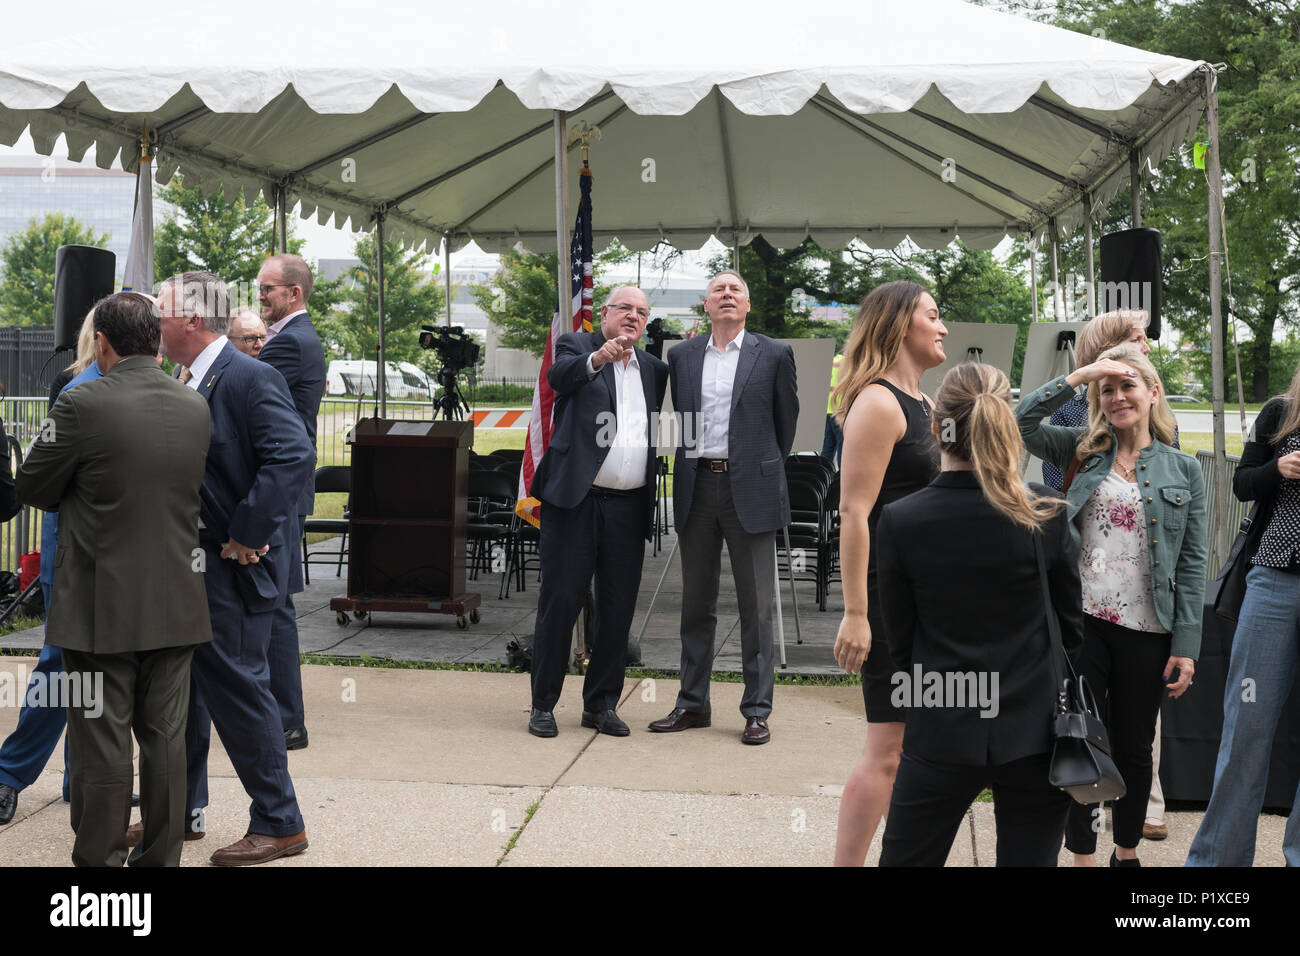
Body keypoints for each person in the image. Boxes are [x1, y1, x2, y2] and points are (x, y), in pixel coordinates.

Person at [15, 291, 212, 867]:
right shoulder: (194, 405)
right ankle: (160, 861)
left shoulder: (79, 406)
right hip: (178, 600)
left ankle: (99, 866)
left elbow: (32, 486)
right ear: (156, 340)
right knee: (165, 741)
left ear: (101, 342)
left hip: (102, 605)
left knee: (101, 743)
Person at [876, 362, 1082, 866]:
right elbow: (1071, 628)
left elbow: (898, 639)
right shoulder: (1046, 512)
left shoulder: (902, 519)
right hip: (1034, 727)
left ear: (934, 425)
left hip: (941, 722)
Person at [1017, 344, 1205, 866]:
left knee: (1134, 746)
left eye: (1128, 386)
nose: (1119, 396)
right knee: (1080, 738)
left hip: (1149, 629)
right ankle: (1083, 855)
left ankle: (1127, 853)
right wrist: (1080, 375)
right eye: (1109, 389)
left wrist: (1187, 645)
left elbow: (1192, 563)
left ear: (1152, 393)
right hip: (1084, 625)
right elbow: (1018, 421)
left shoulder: (1184, 470)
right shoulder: (1081, 449)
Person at [155, 270, 315, 865]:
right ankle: (179, 813)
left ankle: (280, 822)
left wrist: (247, 533)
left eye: (163, 310)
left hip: (228, 569)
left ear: (192, 319)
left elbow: (292, 453)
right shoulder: (189, 377)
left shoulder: (249, 376)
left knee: (241, 693)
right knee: (185, 696)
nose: (155, 321)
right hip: (188, 565)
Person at [1040, 308, 1174, 841]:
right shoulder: (1080, 414)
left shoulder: (1155, 414)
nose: (1145, 348)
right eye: (1135, 340)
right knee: (1084, 718)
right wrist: (1081, 382)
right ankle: (1084, 832)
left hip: (1143, 608)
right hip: (1085, 596)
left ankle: (1139, 815)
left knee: (1138, 729)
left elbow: (1174, 518)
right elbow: (1048, 469)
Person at [649, 269, 798, 745]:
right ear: (707, 306)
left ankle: (756, 710)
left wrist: (755, 464)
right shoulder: (683, 356)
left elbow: (785, 423)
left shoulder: (774, 353)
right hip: (697, 489)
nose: (727, 295)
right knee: (696, 603)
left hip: (749, 490)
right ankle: (692, 704)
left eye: (736, 289)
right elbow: (681, 422)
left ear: (747, 305)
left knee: (756, 607)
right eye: (719, 290)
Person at [830, 280, 946, 866]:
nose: (943, 327)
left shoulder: (926, 405)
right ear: (901, 325)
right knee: (888, 748)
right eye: (933, 315)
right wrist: (856, 613)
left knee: (911, 748)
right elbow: (853, 511)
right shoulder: (877, 403)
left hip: (924, 604)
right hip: (888, 605)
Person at [527, 286, 669, 738]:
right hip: (576, 501)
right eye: (624, 308)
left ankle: (601, 704)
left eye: (641, 312)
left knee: (616, 609)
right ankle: (543, 705)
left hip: (628, 507)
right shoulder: (577, 345)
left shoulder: (654, 369)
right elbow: (560, 379)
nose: (633, 316)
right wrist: (598, 360)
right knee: (561, 602)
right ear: (604, 313)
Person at [1187, 365, 1300, 866]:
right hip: (1273, 582)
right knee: (1246, 728)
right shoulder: (1279, 413)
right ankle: (1218, 865)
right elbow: (1241, 485)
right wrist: (1279, 469)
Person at [0, 311, 101, 826]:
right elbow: (43, 477)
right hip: (72, 546)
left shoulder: (161, 384)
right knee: (58, 664)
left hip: (120, 554)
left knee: (105, 672)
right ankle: (10, 774)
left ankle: (77, 778)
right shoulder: (72, 385)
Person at [256, 253, 326, 752]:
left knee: (276, 605)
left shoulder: (291, 345)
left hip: (281, 492)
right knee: (271, 603)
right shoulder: (290, 339)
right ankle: (276, 712)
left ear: (293, 294)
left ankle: (287, 720)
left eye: (267, 289)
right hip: (286, 491)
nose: (260, 296)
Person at [821, 352, 844, 467]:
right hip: (840, 410)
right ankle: (840, 478)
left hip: (828, 409)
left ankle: (822, 474)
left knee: (828, 446)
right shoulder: (846, 363)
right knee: (842, 447)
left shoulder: (831, 361)